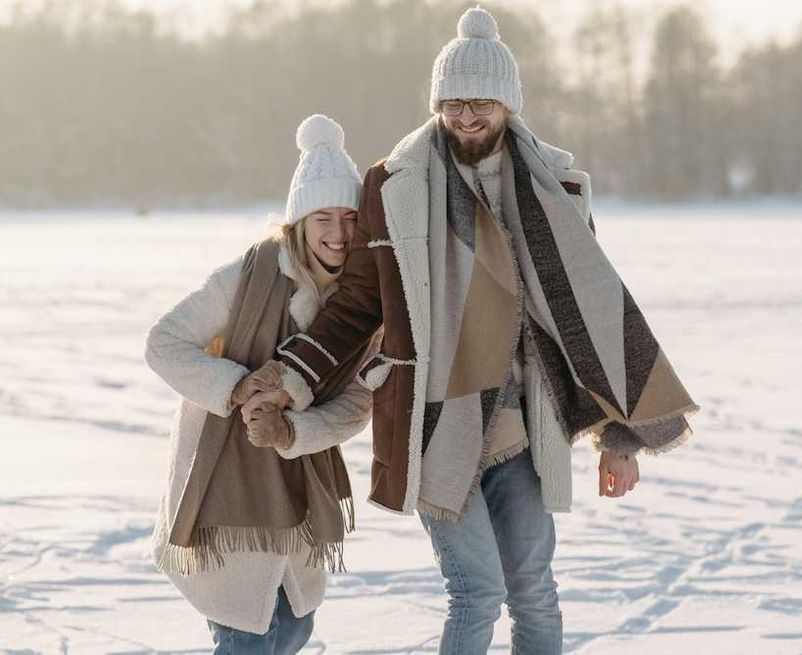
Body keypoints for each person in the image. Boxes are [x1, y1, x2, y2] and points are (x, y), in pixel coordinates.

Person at [264, 8, 700, 654]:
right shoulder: (394, 184)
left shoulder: (555, 187)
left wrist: (621, 438)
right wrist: (292, 376)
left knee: (534, 592)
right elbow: (357, 303)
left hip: (524, 427)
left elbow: (590, 319)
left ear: (508, 103)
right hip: (434, 424)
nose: (466, 117)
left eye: (482, 104)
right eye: (453, 103)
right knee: (476, 593)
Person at [144, 114, 378, 654]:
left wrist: (291, 432)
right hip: (226, 481)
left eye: (350, 218)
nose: (339, 233)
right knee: (246, 630)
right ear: (299, 220)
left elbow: (357, 403)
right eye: (323, 217)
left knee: (294, 625)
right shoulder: (249, 275)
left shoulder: (365, 303)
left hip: (297, 480)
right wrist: (238, 387)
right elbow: (163, 343)